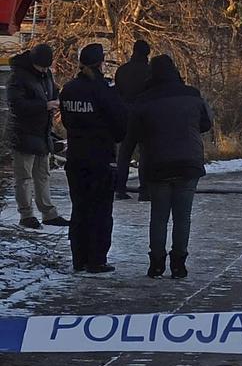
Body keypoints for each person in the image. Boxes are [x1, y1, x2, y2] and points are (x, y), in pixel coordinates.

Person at [127, 55, 212, 279]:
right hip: (189, 162)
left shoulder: (144, 99)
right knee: (183, 217)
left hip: (158, 163)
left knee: (159, 217)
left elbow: (134, 133)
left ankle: (156, 264)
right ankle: (179, 264)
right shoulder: (192, 94)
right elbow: (206, 123)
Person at [60, 43, 127, 273]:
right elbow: (120, 126)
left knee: (79, 209)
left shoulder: (68, 89)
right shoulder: (104, 91)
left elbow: (67, 123)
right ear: (101, 63)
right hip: (100, 158)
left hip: (76, 158)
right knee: (100, 210)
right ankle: (97, 259)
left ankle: (79, 258)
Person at [7, 44, 68, 229]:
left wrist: (55, 101)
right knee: (24, 176)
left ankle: (48, 213)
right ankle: (26, 215)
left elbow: (51, 92)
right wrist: (45, 105)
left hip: (41, 133)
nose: (44, 69)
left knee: (43, 175)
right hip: (23, 133)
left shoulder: (45, 74)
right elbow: (17, 105)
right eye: (42, 66)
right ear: (34, 62)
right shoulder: (18, 77)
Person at [114, 40, 151, 201]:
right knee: (146, 154)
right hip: (145, 117)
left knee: (124, 154)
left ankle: (120, 188)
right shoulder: (150, 72)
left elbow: (118, 93)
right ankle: (144, 190)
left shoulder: (122, 71)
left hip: (126, 116)